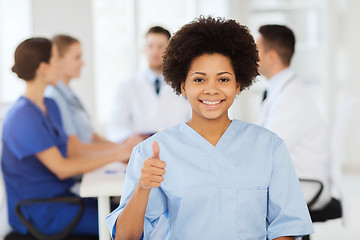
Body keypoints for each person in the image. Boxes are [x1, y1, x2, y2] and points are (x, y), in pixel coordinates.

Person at [106, 17, 314, 240]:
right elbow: (125, 237)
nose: (211, 90)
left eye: (223, 79)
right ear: (183, 86)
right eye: (199, 80)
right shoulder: (151, 152)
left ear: (237, 85)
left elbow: (286, 229)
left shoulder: (269, 147)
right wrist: (143, 187)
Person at [1, 37, 141, 236]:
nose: (60, 65)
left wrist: (122, 149)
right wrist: (116, 155)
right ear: (43, 68)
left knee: (132, 212)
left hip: (65, 198)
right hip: (43, 211)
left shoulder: (50, 105)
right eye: (56, 59)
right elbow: (62, 168)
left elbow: (70, 150)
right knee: (127, 226)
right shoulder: (22, 116)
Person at [256, 24, 332, 210]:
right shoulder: (281, 90)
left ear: (272, 56)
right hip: (290, 178)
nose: (251, 56)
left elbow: (268, 150)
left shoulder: (291, 98)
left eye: (256, 50)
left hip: (304, 184)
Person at [106, 26, 191, 143]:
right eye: (150, 46)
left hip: (176, 148)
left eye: (161, 46)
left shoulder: (184, 84)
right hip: (140, 151)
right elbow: (116, 128)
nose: (155, 52)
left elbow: (193, 120)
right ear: (144, 49)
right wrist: (130, 138)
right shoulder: (127, 87)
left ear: (170, 50)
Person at [45, 34, 117, 145]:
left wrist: (123, 148)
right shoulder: (53, 96)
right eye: (77, 57)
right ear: (58, 60)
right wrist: (120, 151)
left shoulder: (70, 94)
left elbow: (90, 135)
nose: (82, 63)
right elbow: (73, 147)